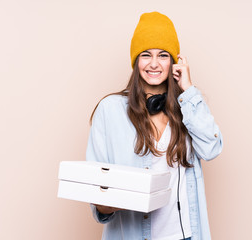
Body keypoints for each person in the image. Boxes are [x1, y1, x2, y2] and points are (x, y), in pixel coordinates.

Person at [86, 11, 223, 240]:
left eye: (163, 55)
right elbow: (97, 191)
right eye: (145, 55)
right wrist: (107, 203)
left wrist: (188, 91)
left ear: (174, 61)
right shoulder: (110, 110)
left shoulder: (186, 108)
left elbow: (212, 148)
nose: (154, 64)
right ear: (135, 60)